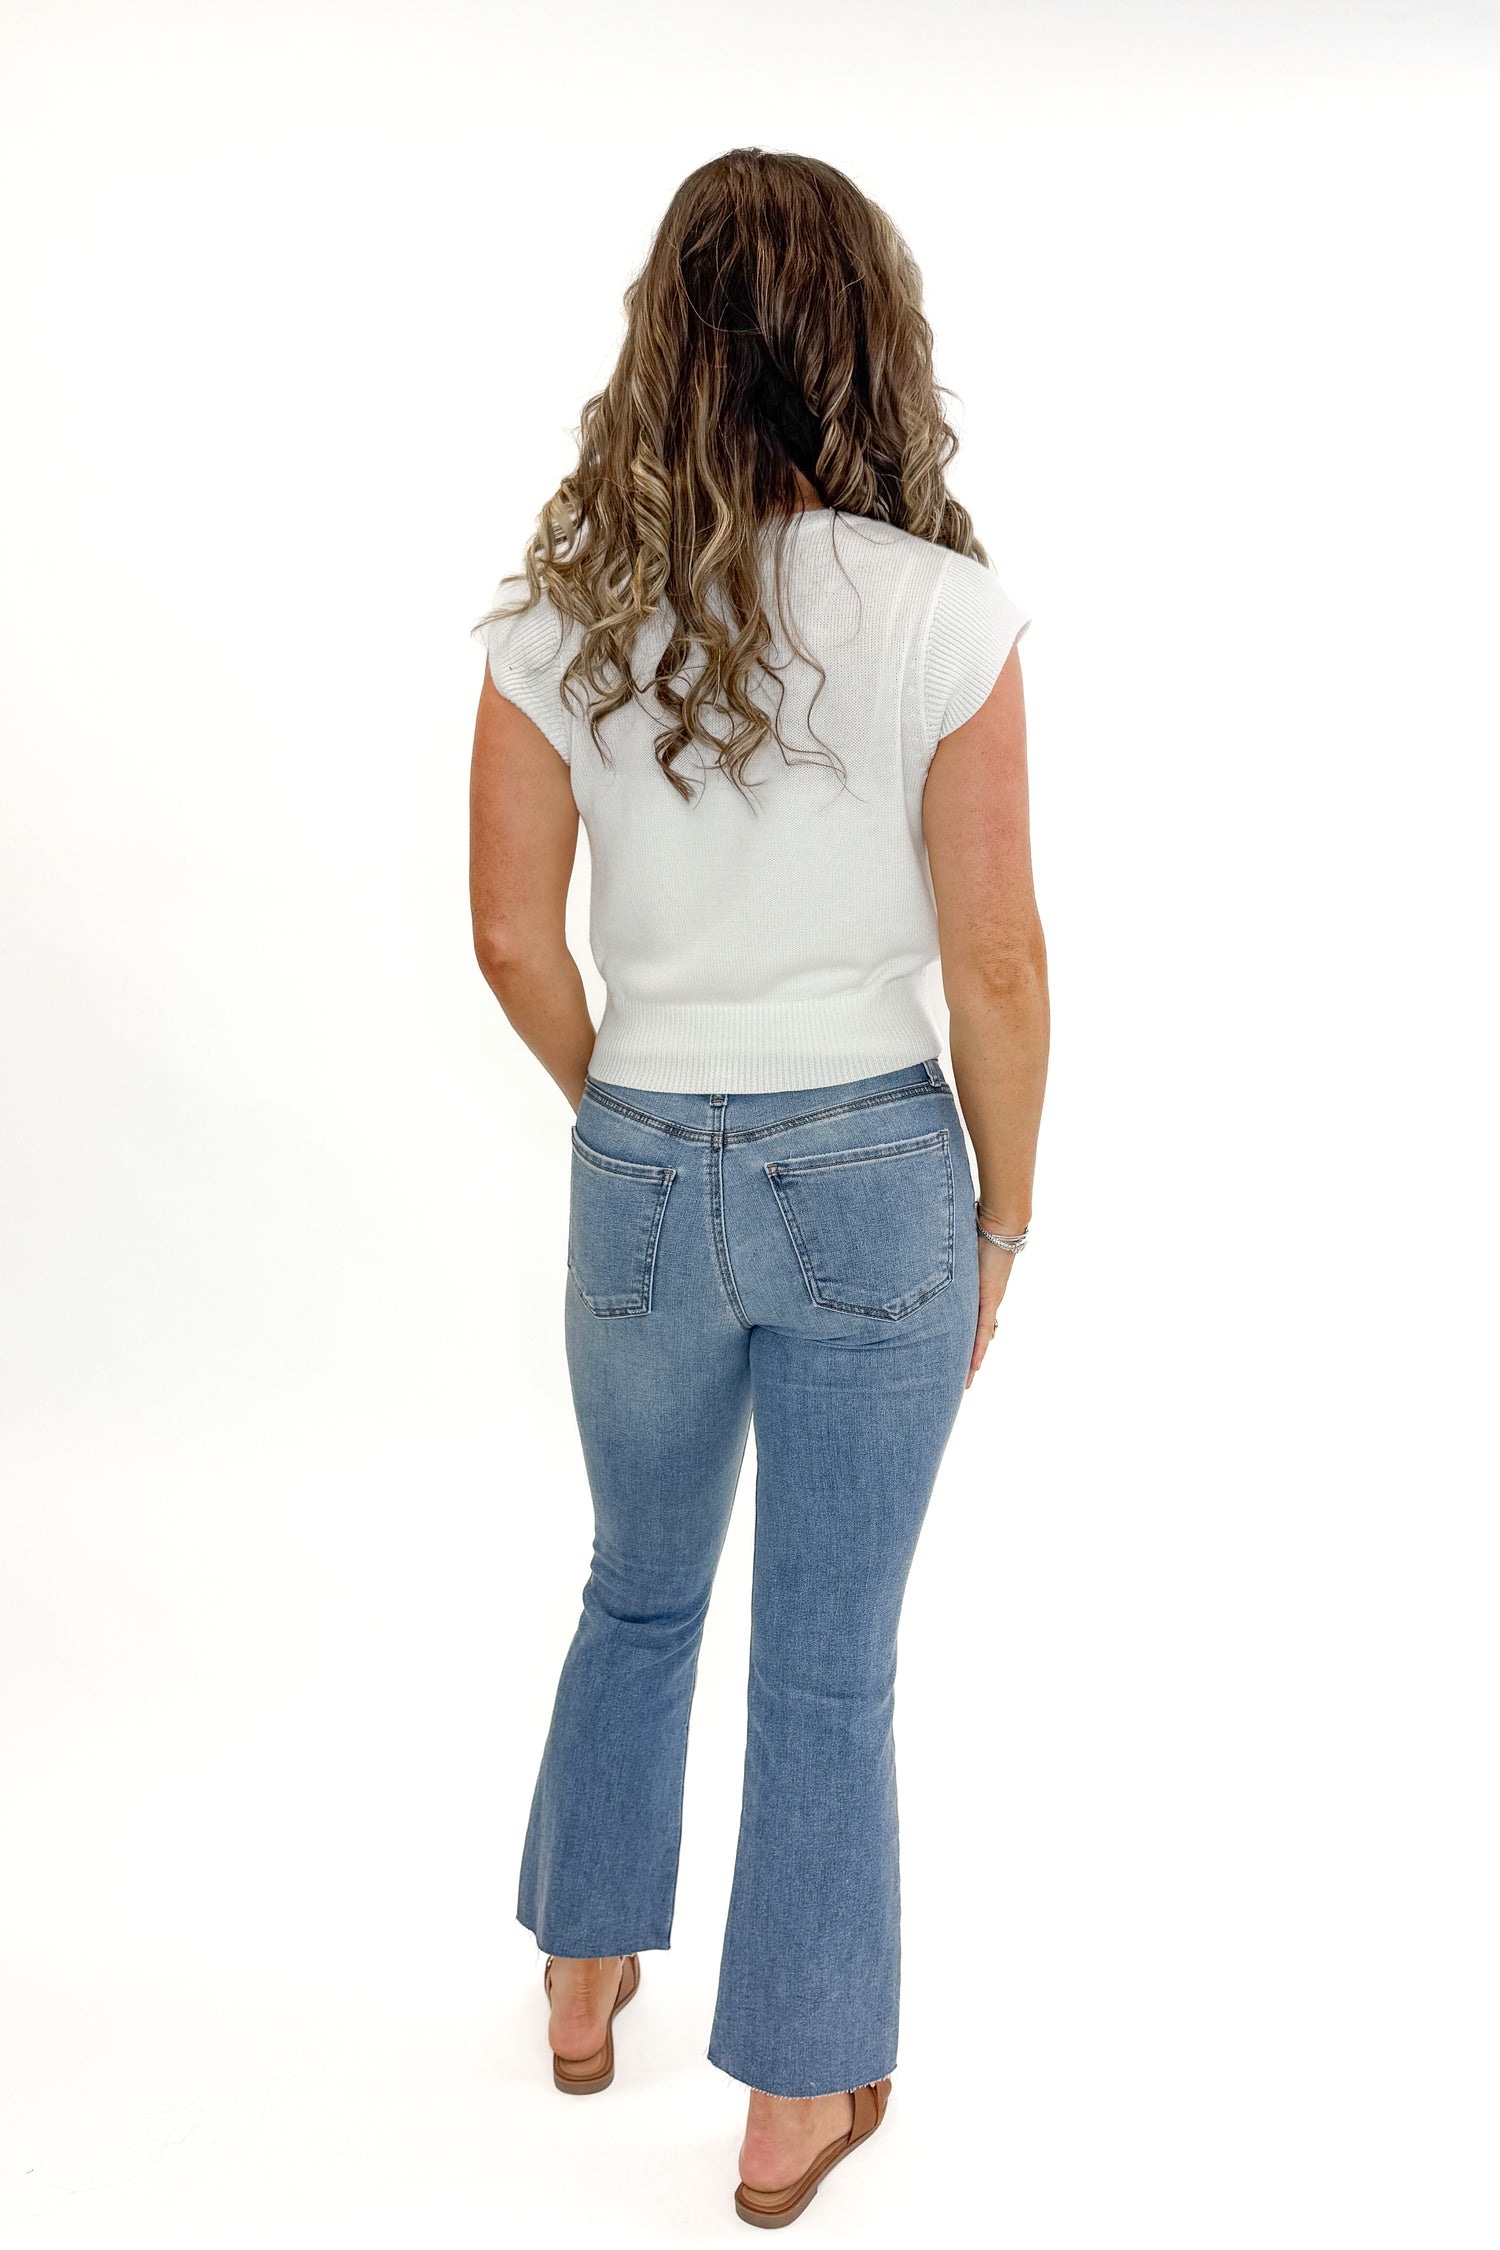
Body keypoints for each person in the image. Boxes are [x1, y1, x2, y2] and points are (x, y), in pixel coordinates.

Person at [468, 146, 1048, 2230]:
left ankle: (582, 1970)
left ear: (665, 337)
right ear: (867, 338)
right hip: (871, 1172)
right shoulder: (943, 616)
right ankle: (797, 2095)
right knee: (826, 1656)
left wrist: (629, 1111)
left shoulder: (557, 611)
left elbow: (512, 940)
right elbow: (996, 963)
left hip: (640, 1157)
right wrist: (1003, 1218)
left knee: (638, 1581)